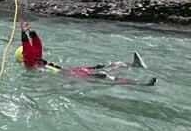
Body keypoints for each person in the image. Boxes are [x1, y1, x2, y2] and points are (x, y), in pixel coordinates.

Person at [15, 21, 154, 84]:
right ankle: (139, 83)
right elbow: (29, 49)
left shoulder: (37, 60)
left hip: (71, 72)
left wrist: (31, 32)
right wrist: (23, 33)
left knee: (101, 67)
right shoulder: (30, 64)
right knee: (103, 76)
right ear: (25, 57)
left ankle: (133, 65)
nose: (33, 52)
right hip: (71, 76)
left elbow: (37, 46)